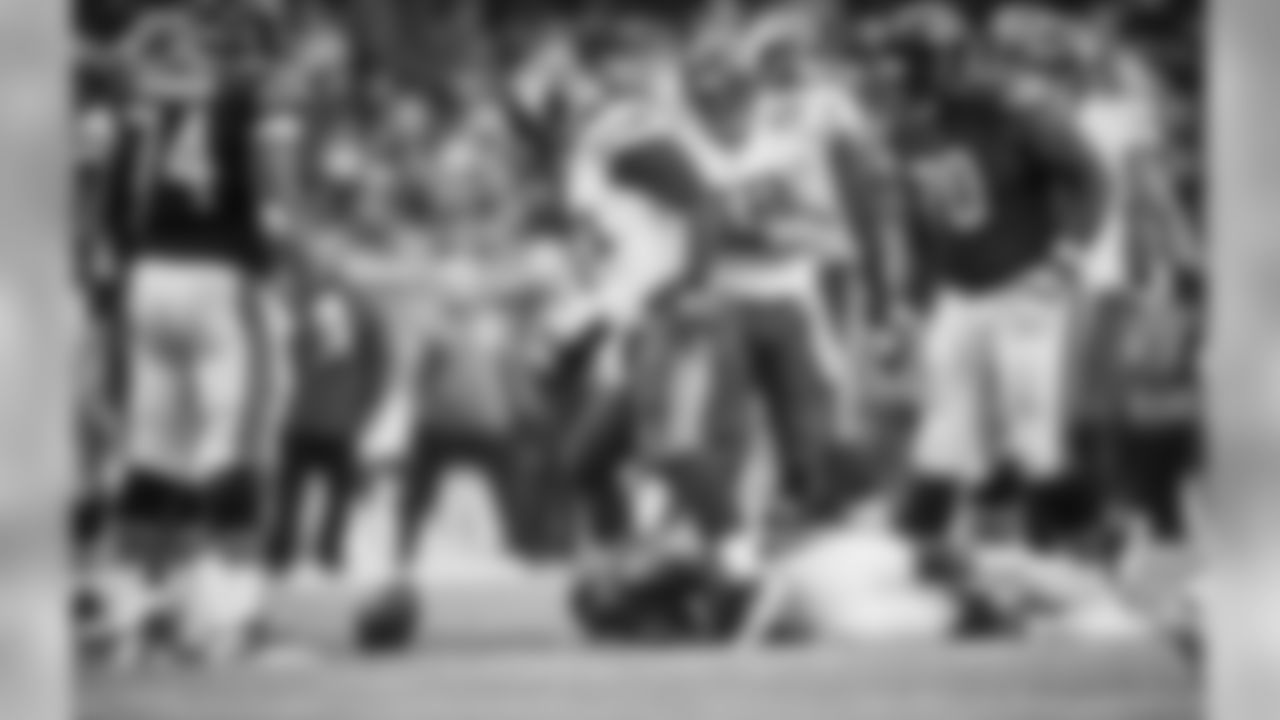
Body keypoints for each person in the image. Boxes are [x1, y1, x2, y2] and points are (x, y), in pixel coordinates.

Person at [891, 23, 1107, 572]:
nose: (904, 78)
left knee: (1031, 430)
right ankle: (922, 545)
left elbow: (1089, 178)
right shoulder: (913, 124)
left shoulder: (1019, 108)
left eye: (916, 65)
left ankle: (1089, 538)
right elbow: (923, 217)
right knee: (945, 424)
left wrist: (1066, 258)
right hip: (960, 290)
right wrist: (914, 293)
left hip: (1023, 282)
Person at [98, 8, 278, 662]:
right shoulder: (242, 101)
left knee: (152, 450)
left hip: (147, 276)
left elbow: (113, 208)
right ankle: (229, 613)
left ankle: (134, 609)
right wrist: (268, 263)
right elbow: (266, 202)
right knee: (228, 446)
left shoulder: (142, 107)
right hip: (216, 276)